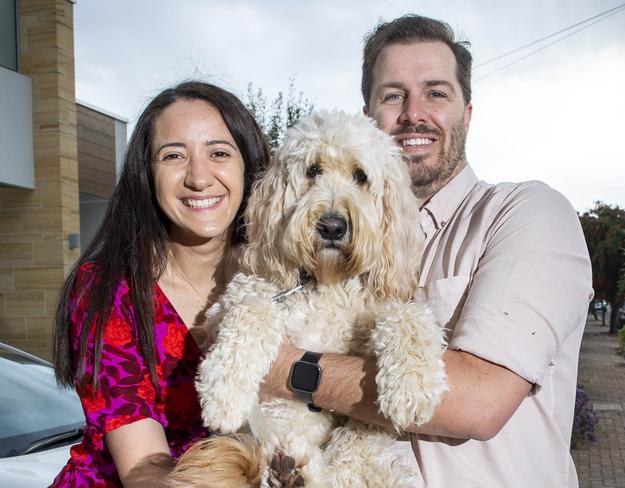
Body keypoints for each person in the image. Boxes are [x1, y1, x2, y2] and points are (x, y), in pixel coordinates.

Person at [262, 15, 593, 487]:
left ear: (467, 113)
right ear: (367, 119)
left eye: (436, 93)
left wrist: (284, 369)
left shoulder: (528, 213)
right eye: (393, 95)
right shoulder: (329, 237)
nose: (414, 114)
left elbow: (478, 400)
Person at [50, 81, 268, 487]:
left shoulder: (276, 281)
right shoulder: (108, 290)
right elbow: (143, 469)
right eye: (173, 156)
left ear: (249, 165)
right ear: (146, 175)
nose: (199, 178)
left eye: (219, 152)